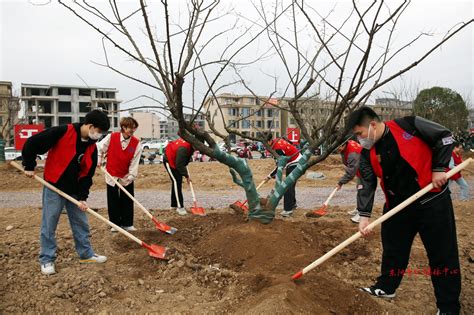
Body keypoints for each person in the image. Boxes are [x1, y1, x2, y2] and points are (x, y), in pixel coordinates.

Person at [347, 106, 460, 315]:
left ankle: (448, 307)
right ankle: (386, 287)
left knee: (442, 255)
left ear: (372, 125)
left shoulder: (409, 125)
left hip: (431, 201)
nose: (359, 139)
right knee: (393, 251)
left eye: (359, 133)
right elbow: (366, 183)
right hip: (397, 207)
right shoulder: (367, 152)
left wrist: (438, 169)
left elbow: (444, 136)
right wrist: (364, 216)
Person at [21, 110, 110, 275]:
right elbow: (32, 143)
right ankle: (47, 259)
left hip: (74, 191)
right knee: (50, 222)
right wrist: (29, 165)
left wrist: (83, 197)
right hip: (54, 185)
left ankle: (86, 254)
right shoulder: (63, 131)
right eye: (98, 131)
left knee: (81, 222)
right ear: (90, 126)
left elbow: (87, 175)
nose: (99, 135)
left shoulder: (91, 147)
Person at [97, 117, 142, 232]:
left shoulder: (136, 143)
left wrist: (132, 175)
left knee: (127, 198)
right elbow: (99, 148)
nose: (133, 130)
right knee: (113, 199)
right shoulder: (112, 137)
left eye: (134, 128)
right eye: (130, 128)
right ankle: (115, 224)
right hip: (111, 173)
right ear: (123, 127)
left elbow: (134, 161)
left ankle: (127, 223)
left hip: (126, 174)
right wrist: (99, 159)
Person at [266, 133, 302, 217]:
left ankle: (288, 210)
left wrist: (270, 175)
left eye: (265, 143)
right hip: (295, 160)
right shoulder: (275, 142)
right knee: (290, 184)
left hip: (295, 163)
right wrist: (271, 175)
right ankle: (292, 204)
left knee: (287, 186)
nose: (264, 146)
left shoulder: (278, 148)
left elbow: (280, 165)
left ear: (269, 140)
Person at [163, 137, 194, 215]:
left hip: (176, 160)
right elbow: (179, 164)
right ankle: (180, 207)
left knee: (177, 181)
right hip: (169, 160)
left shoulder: (191, 145)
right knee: (176, 181)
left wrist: (186, 173)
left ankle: (173, 205)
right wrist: (186, 175)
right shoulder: (183, 148)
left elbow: (185, 159)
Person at [336, 138, 363, 223]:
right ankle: (359, 209)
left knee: (363, 191)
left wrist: (341, 182)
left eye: (338, 147)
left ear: (343, 145)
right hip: (360, 170)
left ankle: (362, 214)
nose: (337, 149)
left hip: (366, 171)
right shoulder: (347, 143)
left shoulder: (352, 153)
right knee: (359, 189)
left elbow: (351, 172)